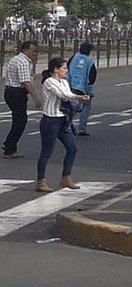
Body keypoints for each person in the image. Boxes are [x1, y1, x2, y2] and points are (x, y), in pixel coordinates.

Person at [34, 56, 88, 192]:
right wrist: (79, 97)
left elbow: (68, 92)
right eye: (64, 68)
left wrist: (76, 97)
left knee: (72, 148)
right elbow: (63, 95)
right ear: (55, 69)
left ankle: (65, 177)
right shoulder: (49, 82)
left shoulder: (64, 82)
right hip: (50, 120)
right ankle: (41, 181)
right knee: (46, 152)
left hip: (63, 120)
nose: (66, 71)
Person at [3, 40, 39, 159]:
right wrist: (35, 98)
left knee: (18, 120)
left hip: (11, 91)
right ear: (26, 50)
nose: (35, 53)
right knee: (20, 121)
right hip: (16, 92)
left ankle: (9, 145)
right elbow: (25, 82)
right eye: (33, 51)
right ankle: (9, 147)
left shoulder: (16, 59)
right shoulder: (23, 62)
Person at [65, 42, 98, 136]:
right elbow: (92, 77)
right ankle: (81, 128)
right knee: (85, 107)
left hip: (71, 85)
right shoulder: (89, 62)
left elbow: (67, 68)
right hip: (83, 88)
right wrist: (89, 86)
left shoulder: (73, 58)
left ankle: (68, 123)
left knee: (72, 106)